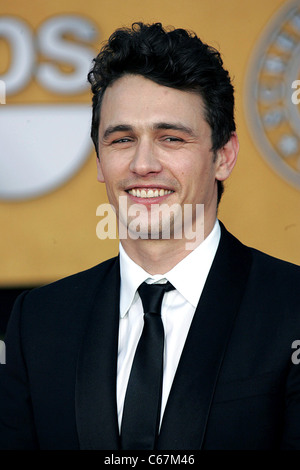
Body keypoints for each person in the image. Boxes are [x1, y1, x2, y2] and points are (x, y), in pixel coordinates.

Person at [0, 21, 299, 451]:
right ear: (101, 160)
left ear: (224, 156)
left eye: (171, 138)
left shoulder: (292, 307)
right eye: (122, 139)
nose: (143, 164)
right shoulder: (38, 323)